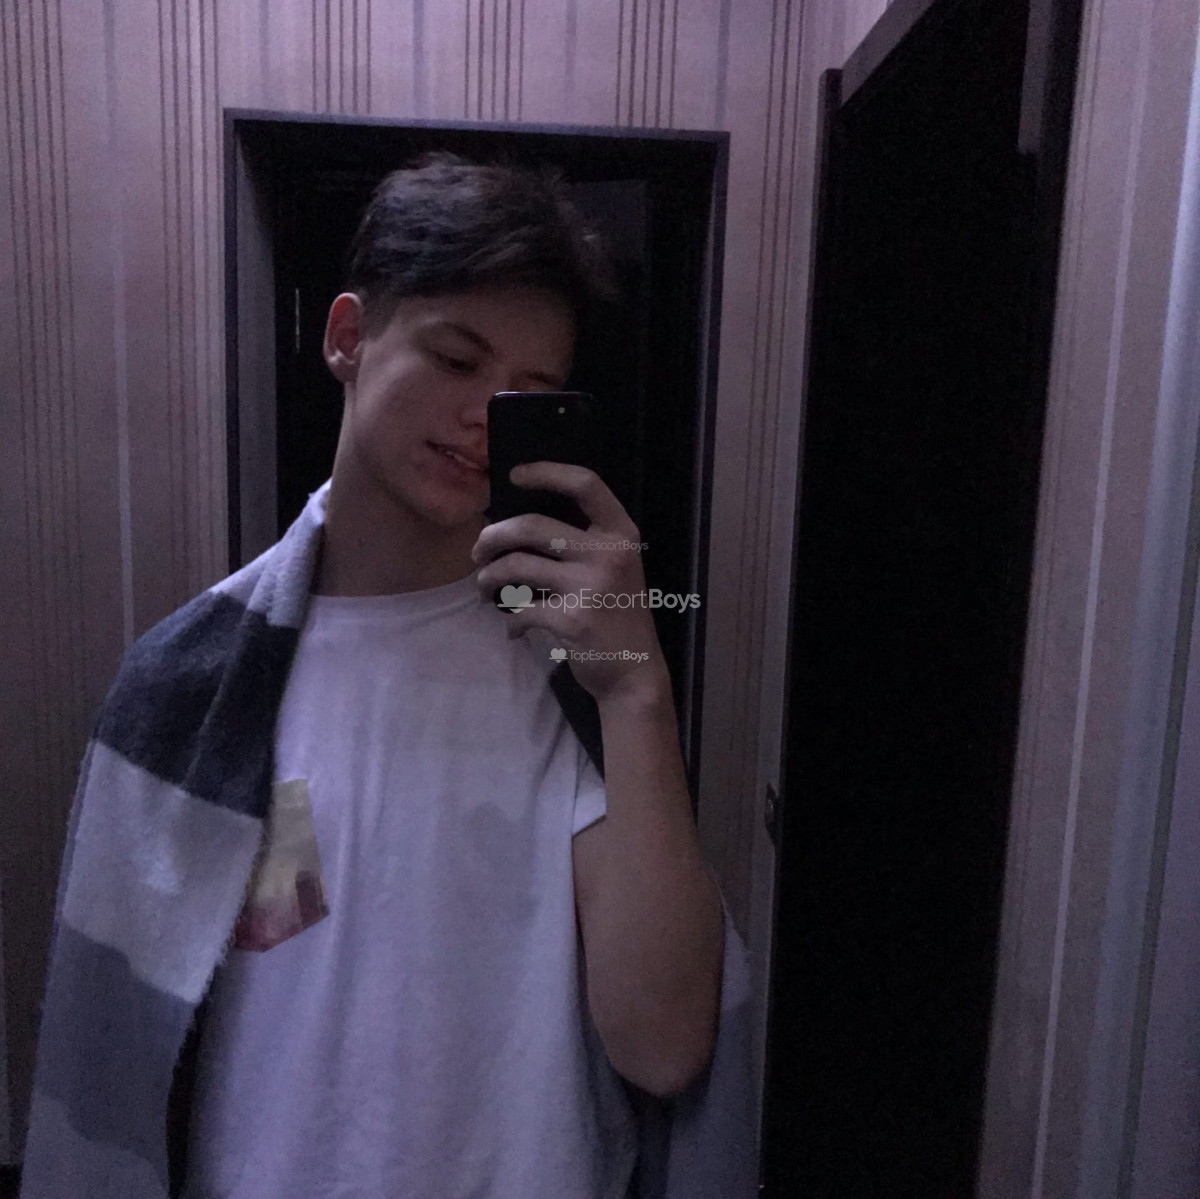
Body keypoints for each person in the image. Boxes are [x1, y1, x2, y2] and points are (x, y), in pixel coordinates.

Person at [19, 153, 745, 1199]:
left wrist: (637, 687)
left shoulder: (569, 671)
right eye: (455, 357)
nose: (484, 412)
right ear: (348, 337)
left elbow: (664, 1044)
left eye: (529, 394)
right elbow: (115, 1062)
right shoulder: (193, 690)